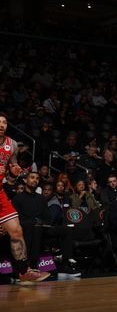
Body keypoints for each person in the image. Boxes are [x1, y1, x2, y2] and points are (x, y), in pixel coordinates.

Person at [0, 112, 50, 284]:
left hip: (0, 193)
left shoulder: (12, 144)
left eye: (5, 122)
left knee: (16, 230)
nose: (2, 125)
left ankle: (23, 272)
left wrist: (13, 169)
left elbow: (12, 163)